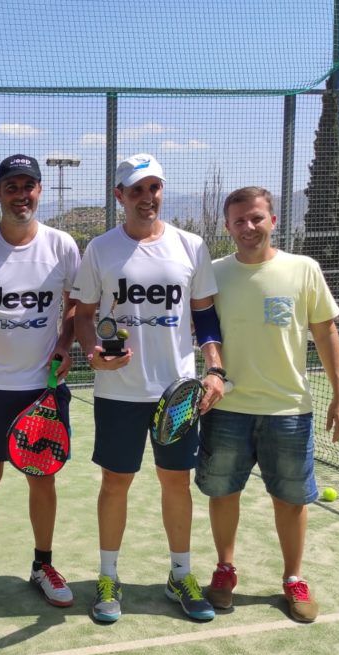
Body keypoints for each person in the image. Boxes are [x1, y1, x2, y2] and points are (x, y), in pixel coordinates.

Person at [71, 153, 225, 624]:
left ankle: (180, 574)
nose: (147, 198)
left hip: (176, 391)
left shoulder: (192, 246)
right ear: (120, 196)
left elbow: (204, 314)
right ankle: (108, 576)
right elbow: (81, 314)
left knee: (176, 482)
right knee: (115, 482)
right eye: (136, 190)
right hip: (117, 391)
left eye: (153, 187)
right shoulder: (100, 249)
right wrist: (93, 351)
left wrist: (214, 368)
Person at [195, 186, 339, 623]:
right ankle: (225, 571)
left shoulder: (303, 269)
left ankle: (293, 579)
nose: (249, 227)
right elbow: (206, 332)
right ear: (227, 226)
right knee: (223, 493)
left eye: (257, 218)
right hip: (226, 409)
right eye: (239, 220)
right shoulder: (213, 274)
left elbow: (325, 333)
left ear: (273, 221)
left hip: (289, 410)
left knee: (291, 500)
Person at [0, 154, 81, 616]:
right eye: (11, 186)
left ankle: (43, 565)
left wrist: (65, 342)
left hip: (42, 388)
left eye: (29, 185)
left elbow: (74, 306)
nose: (20, 194)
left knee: (42, 480)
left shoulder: (62, 245)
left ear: (39, 191)